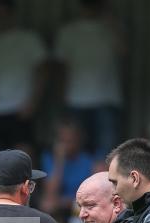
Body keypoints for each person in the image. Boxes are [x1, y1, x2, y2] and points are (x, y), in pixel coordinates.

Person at [54, 0, 125, 156]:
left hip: (106, 98)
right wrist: (63, 96)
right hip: (76, 98)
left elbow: (124, 52)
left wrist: (112, 23)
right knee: (77, 153)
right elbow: (61, 67)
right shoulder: (68, 31)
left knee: (108, 154)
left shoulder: (111, 28)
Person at [0, 0, 47, 152]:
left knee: (23, 153)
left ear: (12, 13)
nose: (0, 17)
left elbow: (42, 71)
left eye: (3, 13)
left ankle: (27, 178)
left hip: (21, 107)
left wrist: (34, 101)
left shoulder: (29, 39)